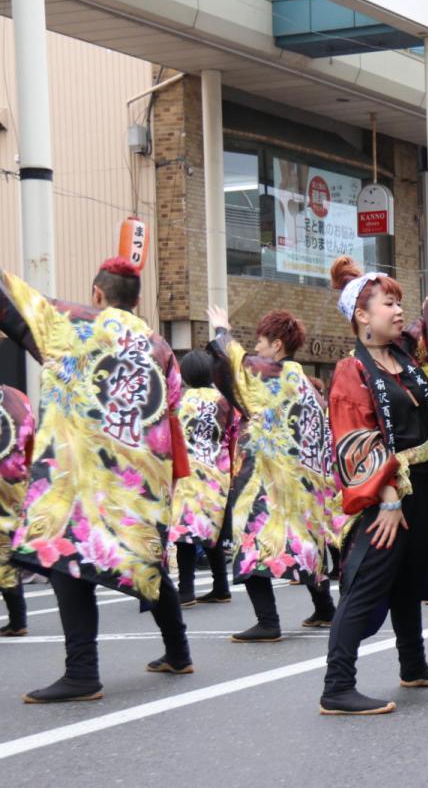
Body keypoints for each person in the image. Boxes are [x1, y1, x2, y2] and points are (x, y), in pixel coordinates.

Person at [2, 258, 192, 702]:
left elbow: (11, 304)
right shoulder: (160, 346)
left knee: (70, 559)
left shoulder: (72, 321)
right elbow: (173, 408)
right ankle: (178, 650)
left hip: (80, 474)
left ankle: (82, 672)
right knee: (145, 562)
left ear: (98, 295)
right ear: (137, 301)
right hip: (135, 481)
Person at [320, 206, 428, 715]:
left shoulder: (409, 357)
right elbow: (355, 435)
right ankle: (336, 685)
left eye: (397, 302)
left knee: (410, 577)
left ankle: (412, 664)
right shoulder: (353, 370)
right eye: (386, 303)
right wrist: (386, 496)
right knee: (367, 583)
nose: (396, 310)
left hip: (426, 484)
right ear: (361, 316)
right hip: (387, 494)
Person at [205, 305, 338, 642]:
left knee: (252, 539)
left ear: (277, 345)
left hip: (264, 477)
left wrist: (222, 329)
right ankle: (325, 609)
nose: (257, 349)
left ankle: (268, 621)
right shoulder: (306, 385)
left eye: (262, 342)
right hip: (304, 480)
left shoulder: (268, 375)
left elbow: (231, 362)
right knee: (304, 541)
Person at [168, 349, 235, 606]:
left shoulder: (181, 401)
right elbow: (231, 434)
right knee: (213, 529)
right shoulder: (225, 401)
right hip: (217, 471)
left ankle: (186, 590)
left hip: (188, 471)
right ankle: (221, 585)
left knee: (185, 531)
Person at [0, 385, 35, 637]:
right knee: (7, 546)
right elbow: (31, 441)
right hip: (15, 478)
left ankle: (17, 618)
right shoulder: (18, 397)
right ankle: (17, 617)